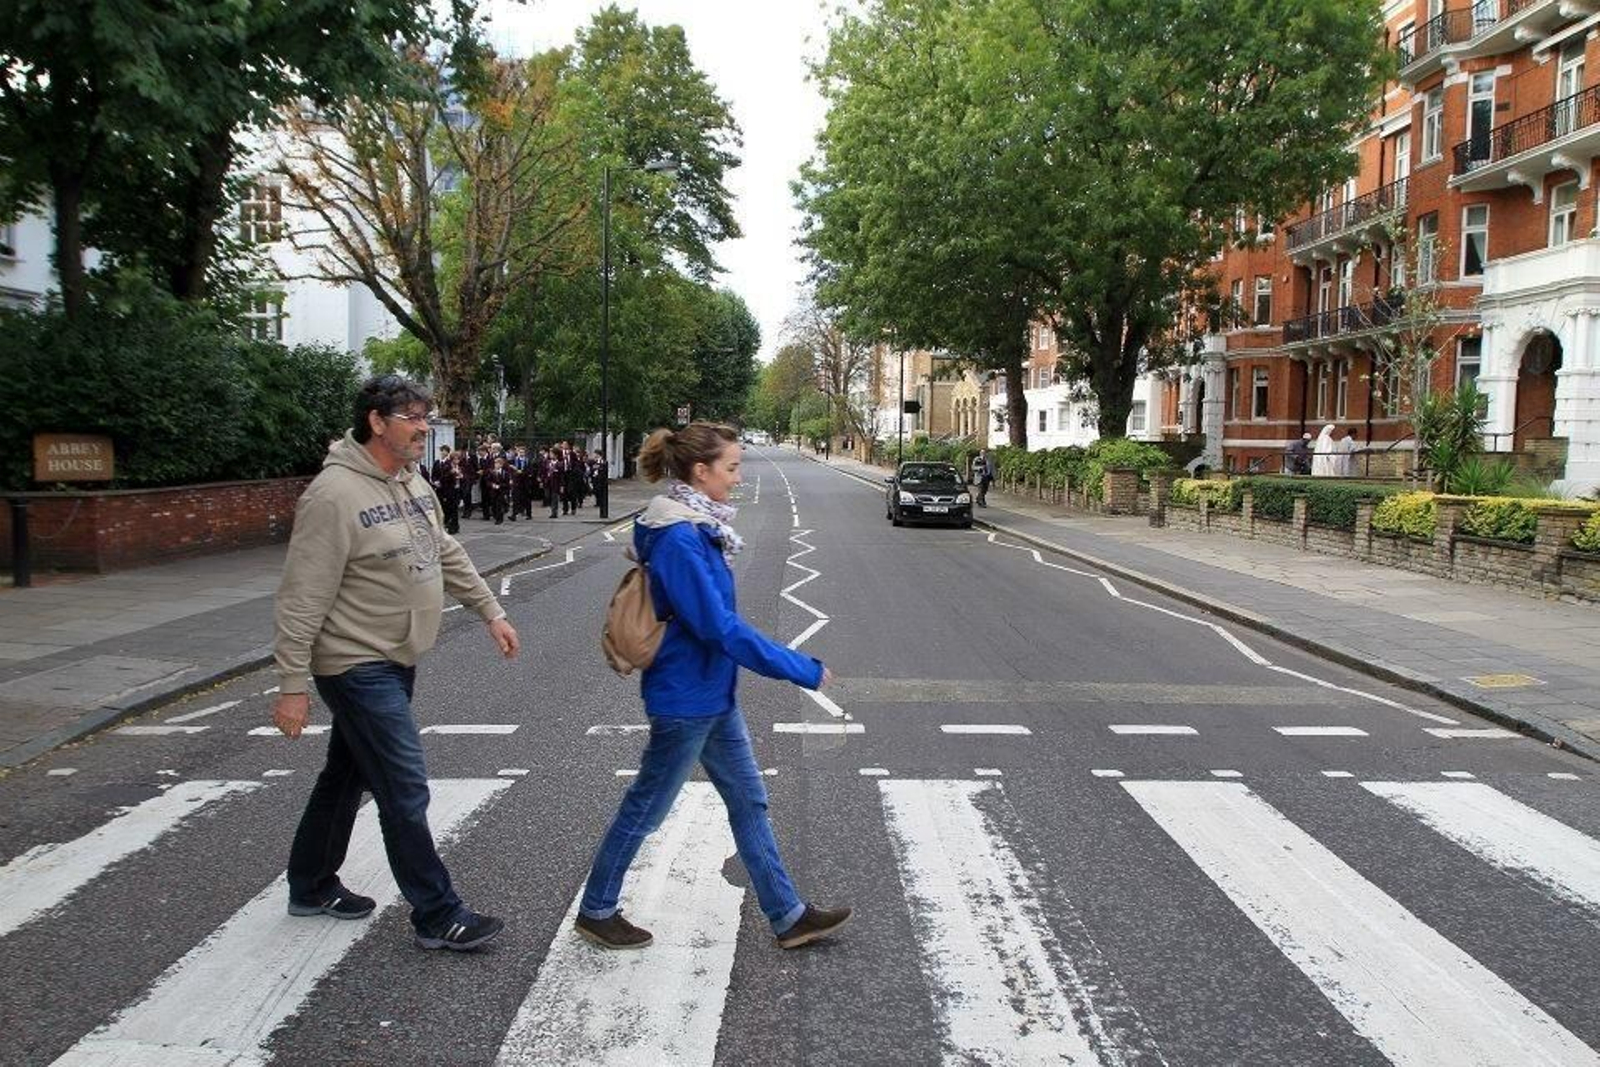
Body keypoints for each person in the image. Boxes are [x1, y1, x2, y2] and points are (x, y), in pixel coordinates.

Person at [575, 422, 851, 952]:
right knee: (645, 809)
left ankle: (789, 914)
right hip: (685, 700)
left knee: (749, 802)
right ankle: (596, 909)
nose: (739, 477)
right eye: (731, 467)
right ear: (700, 472)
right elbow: (717, 627)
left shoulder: (699, 526)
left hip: (711, 697)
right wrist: (799, 668)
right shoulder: (680, 537)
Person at [272, 374, 521, 952]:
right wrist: (290, 683)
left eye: (426, 415)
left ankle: (309, 884)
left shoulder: (411, 482)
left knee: (346, 774)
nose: (423, 426)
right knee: (404, 785)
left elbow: (445, 550)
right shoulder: (333, 497)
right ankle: (436, 912)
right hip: (355, 663)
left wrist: (490, 610)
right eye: (411, 415)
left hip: (397, 656)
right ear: (376, 421)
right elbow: (301, 595)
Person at [431, 445, 460, 534]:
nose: (443, 453)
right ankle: (445, 523)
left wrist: (456, 475)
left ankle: (452, 526)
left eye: (444, 451)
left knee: (452, 507)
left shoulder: (449, 464)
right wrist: (435, 481)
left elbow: (449, 476)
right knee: (442, 506)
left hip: (450, 488)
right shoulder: (437, 462)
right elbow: (434, 474)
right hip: (440, 488)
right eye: (441, 451)